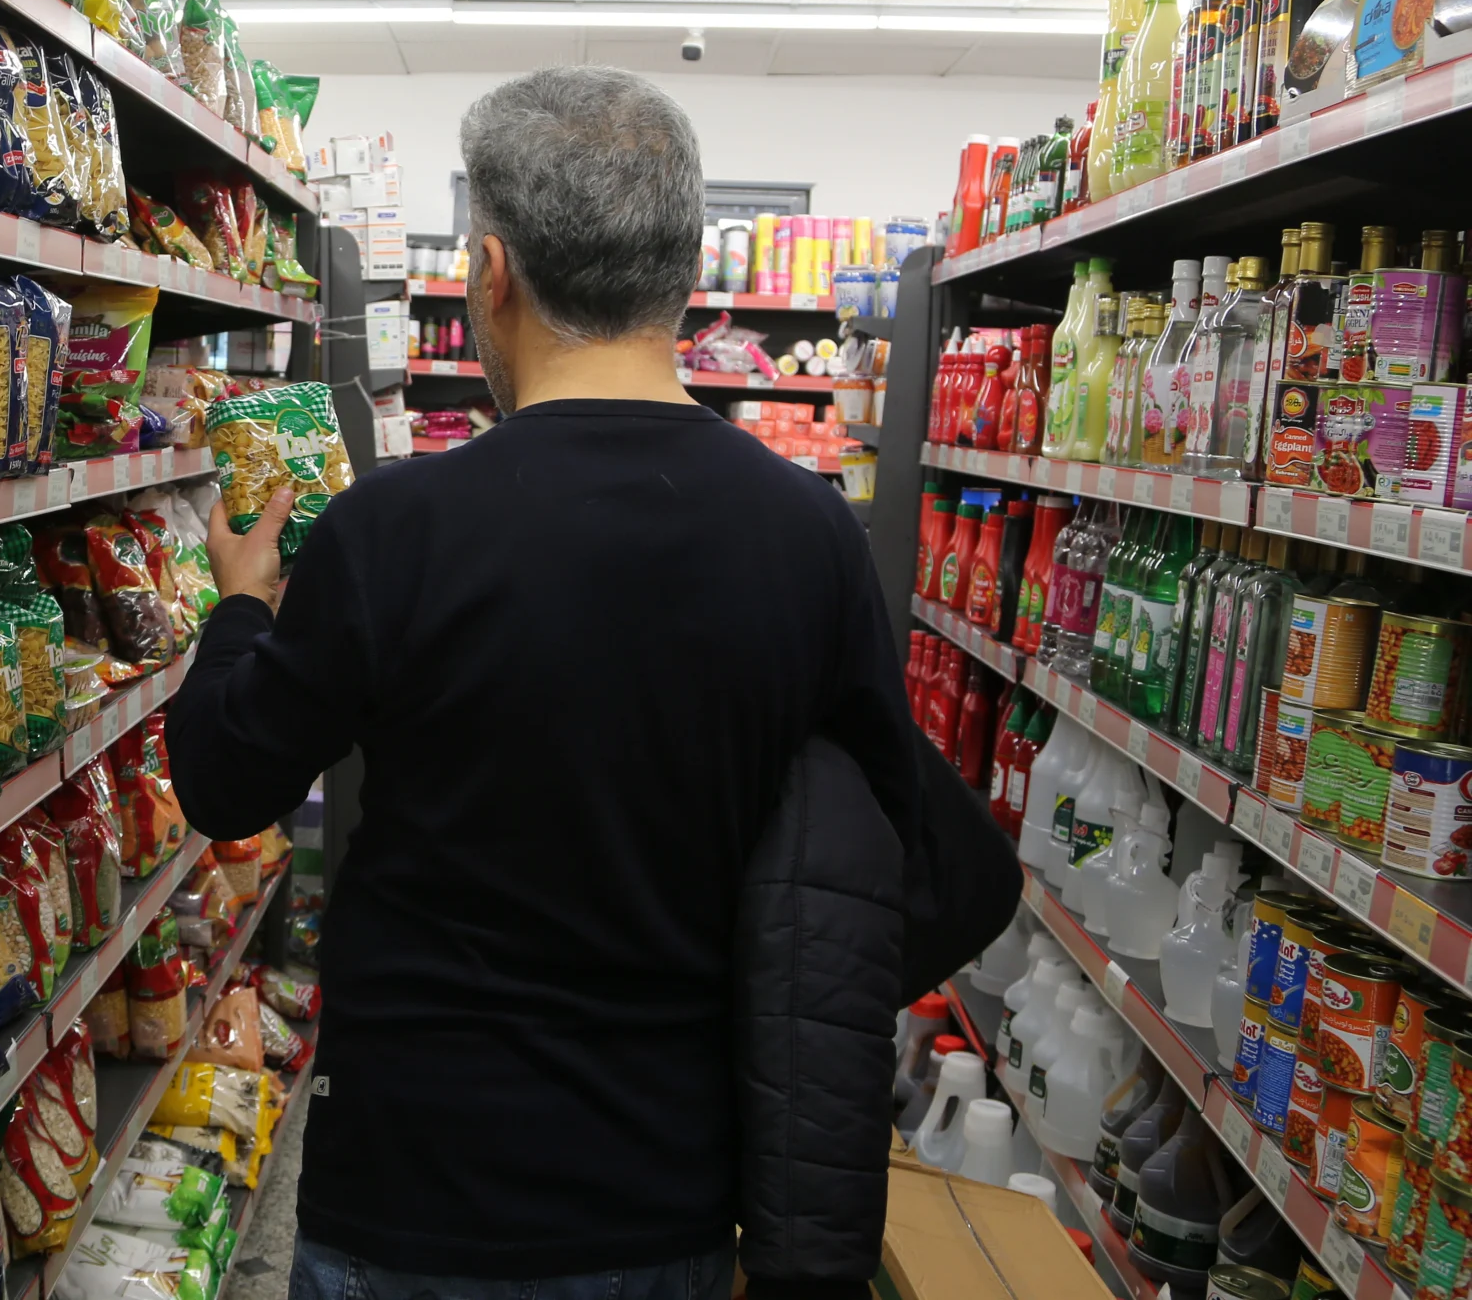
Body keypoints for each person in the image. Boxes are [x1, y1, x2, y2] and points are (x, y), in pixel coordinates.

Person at [167, 66, 1020, 1300]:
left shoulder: (393, 528)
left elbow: (224, 783)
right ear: (684, 274)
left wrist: (243, 606)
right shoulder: (807, 537)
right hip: (661, 1193)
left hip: (411, 1186)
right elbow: (894, 864)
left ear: (491, 273)